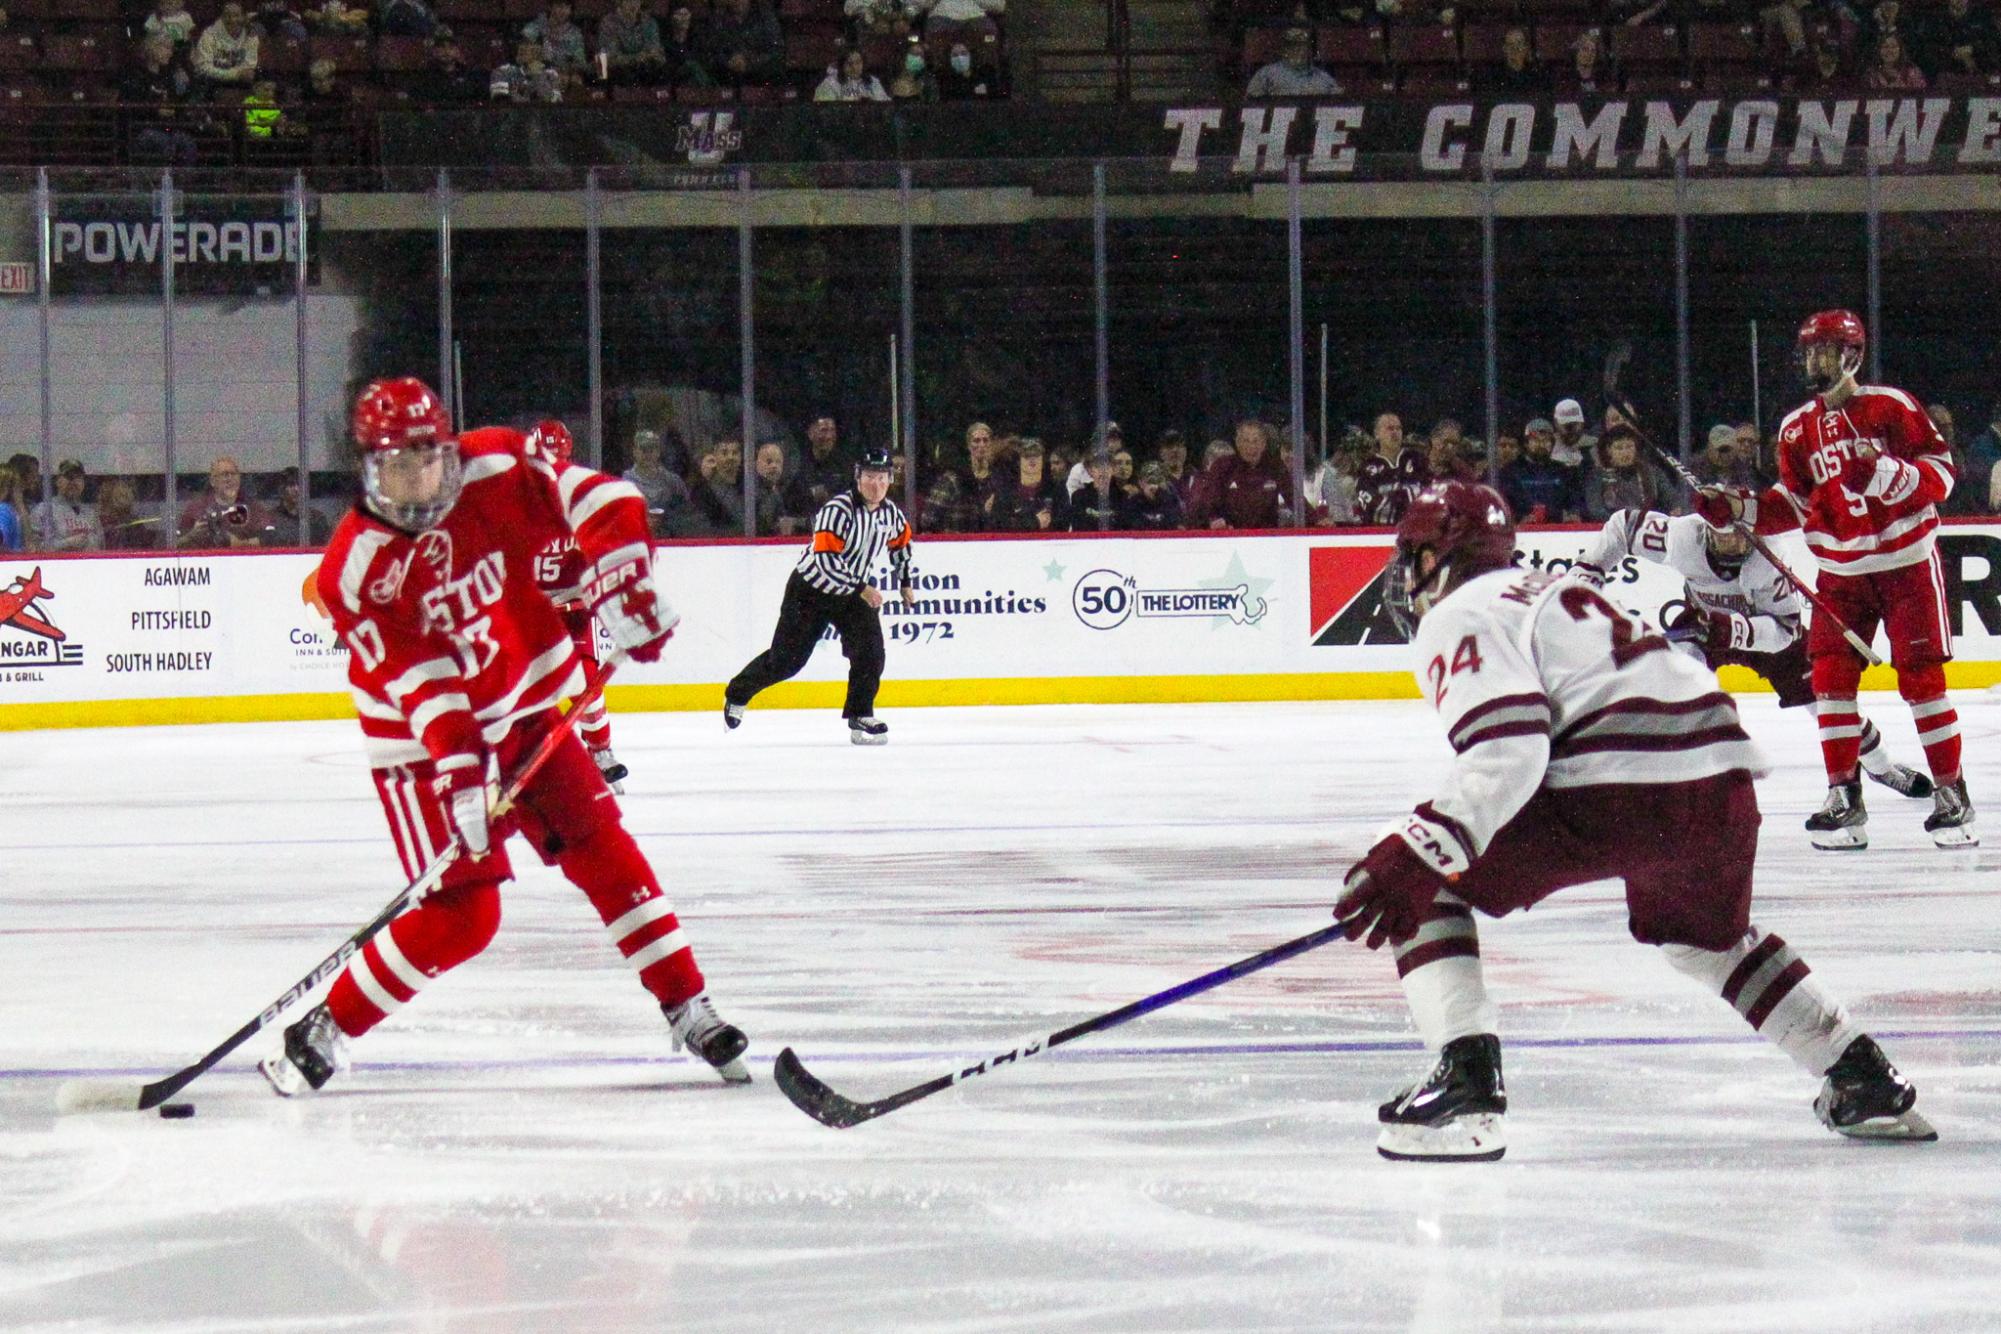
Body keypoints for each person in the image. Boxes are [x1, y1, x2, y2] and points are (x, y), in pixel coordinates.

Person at [1331, 480, 1935, 1161]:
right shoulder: (1551, 591)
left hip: (1614, 785)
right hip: (1720, 780)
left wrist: (1416, 853)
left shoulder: (1462, 611)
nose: (1403, 572)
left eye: (1410, 554)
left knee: (1427, 876)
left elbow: (1508, 750)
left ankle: (1464, 1088)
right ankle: (1860, 1076)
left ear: (1438, 557)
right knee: (1705, 939)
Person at [263, 378, 748, 1097]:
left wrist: (624, 573)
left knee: (605, 851)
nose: (414, 477)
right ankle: (324, 1027)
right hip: (420, 745)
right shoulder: (354, 569)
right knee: (465, 915)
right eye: (395, 464)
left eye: (425, 458)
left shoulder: (495, 464)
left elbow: (604, 499)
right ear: (368, 468)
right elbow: (420, 678)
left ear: (446, 448)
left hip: (523, 704)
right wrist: (462, 770)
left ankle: (687, 1004)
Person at [1698, 310, 1974, 849]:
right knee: (1828, 681)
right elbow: (1792, 505)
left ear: (1851, 355)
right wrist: (1735, 508)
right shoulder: (1796, 427)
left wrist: (1890, 474)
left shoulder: (1890, 406)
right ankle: (1844, 796)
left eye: (1824, 352)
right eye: (1808, 353)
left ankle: (1951, 793)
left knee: (1920, 679)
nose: (1813, 363)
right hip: (1841, 575)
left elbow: (1942, 474)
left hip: (1906, 565)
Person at [1579, 504, 1931, 800]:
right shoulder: (1683, 537)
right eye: (1721, 533)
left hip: (1768, 633)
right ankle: (1670, 778)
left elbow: (1786, 629)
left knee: (1826, 701)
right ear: (1707, 530)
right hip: (1703, 626)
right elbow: (1623, 525)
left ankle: (1882, 766)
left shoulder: (1770, 556)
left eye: (1737, 532)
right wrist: (1590, 568)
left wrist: (1734, 629)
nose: (1729, 541)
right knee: (1678, 686)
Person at [724, 447, 914, 745]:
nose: (874, 484)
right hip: (810, 590)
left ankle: (860, 713)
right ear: (857, 477)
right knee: (786, 661)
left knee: (870, 652)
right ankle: (737, 693)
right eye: (868, 477)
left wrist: (905, 581)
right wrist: (862, 588)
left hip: (851, 591)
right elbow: (826, 560)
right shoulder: (837, 510)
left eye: (881, 477)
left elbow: (901, 544)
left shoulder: (891, 514)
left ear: (890, 479)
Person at [523, 419, 626, 793]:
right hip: (527, 611)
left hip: (572, 607)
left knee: (585, 684)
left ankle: (600, 751)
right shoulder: (512, 502)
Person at [1186, 419, 1293, 529]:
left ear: (1263, 444)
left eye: (1255, 441)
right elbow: (1210, 503)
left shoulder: (1275, 467)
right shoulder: (1223, 467)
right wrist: (1215, 519)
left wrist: (1312, 524)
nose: (1251, 447)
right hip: (1232, 537)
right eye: (1246, 441)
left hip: (1267, 538)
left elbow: (1294, 499)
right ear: (1237, 442)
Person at [1498, 417, 1581, 523]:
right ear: (1526, 443)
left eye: (1546, 440)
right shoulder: (1510, 472)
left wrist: (1573, 514)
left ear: (1552, 444)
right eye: (1535, 440)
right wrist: (1519, 518)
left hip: (1557, 532)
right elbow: (1503, 505)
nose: (1541, 444)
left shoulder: (1563, 471)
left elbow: (1574, 502)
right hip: (1522, 533)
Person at [177, 457, 268, 549]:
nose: (229, 479)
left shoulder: (253, 507)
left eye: (233, 474)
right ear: (212, 481)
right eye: (224, 475)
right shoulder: (197, 508)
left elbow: (271, 538)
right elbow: (176, 545)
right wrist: (191, 535)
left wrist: (240, 544)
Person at [1355, 412, 1428, 525]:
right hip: (1381, 534)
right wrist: (1408, 496)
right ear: (1377, 434)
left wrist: (1392, 493)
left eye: (1398, 428)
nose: (1395, 432)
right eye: (1389, 428)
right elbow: (1370, 503)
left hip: (1417, 531)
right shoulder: (1367, 467)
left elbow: (1428, 492)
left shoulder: (1417, 460)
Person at [1245, 26, 1341, 97]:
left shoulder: (1324, 79)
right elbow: (1249, 103)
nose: (1297, 50)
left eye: (1302, 45)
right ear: (1284, 49)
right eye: (1292, 45)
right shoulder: (1266, 74)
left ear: (1310, 49)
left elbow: (1337, 104)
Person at [31, 459, 101, 552]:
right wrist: (67, 543)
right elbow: (35, 548)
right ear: (57, 481)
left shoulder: (91, 513)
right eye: (69, 477)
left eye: (78, 477)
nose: (73, 482)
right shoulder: (43, 510)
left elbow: (101, 545)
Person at [191, 1, 260, 90]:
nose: (232, 19)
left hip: (240, 82)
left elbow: (249, 67)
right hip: (214, 82)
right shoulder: (209, 34)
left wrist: (239, 75)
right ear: (221, 17)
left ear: (244, 16)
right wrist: (235, 75)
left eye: (236, 15)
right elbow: (203, 67)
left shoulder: (251, 35)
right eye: (227, 15)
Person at [258, 466, 331, 547]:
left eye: (300, 484)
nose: (296, 489)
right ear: (281, 490)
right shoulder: (270, 519)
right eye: (291, 485)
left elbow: (326, 549)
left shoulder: (317, 519)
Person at [1118, 460, 1183, 530]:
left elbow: (1177, 527)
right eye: (1150, 481)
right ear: (1140, 483)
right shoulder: (1131, 504)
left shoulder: (1171, 502)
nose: (1154, 486)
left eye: (1158, 481)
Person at [816, 46, 890, 100]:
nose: (854, 67)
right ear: (841, 65)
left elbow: (886, 104)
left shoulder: (873, 82)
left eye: (858, 63)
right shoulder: (829, 84)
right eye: (849, 63)